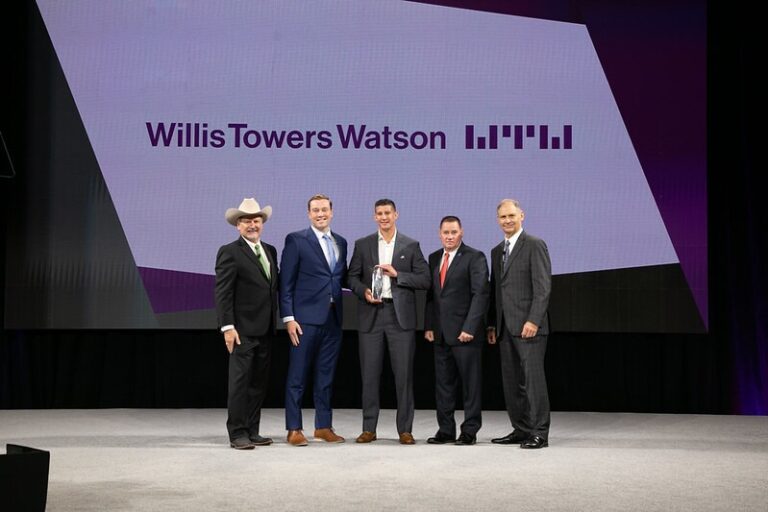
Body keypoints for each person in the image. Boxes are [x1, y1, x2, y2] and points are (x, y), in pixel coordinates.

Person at [348, 199, 430, 444]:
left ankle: (405, 430)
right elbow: (351, 277)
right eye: (379, 213)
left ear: (396, 215)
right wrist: (363, 291)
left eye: (388, 213)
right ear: (374, 217)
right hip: (371, 315)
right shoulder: (362, 245)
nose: (384, 217)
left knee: (403, 376)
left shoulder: (411, 245)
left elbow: (425, 280)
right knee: (369, 375)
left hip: (399, 317)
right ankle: (368, 429)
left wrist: (398, 275)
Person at [280, 194, 348, 446]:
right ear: (308, 214)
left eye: (325, 210)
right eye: (315, 210)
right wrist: (289, 318)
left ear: (332, 212)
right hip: (304, 321)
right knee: (297, 376)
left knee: (326, 376)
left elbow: (339, 277)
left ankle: (323, 426)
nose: (320, 214)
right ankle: (294, 429)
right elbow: (285, 283)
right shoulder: (297, 240)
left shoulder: (341, 241)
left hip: (333, 319)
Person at [487, 199, 552, 449]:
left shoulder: (535, 245)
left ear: (522, 215)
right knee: (513, 382)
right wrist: (492, 324)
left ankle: (539, 433)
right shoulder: (496, 251)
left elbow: (543, 288)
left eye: (511, 215)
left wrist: (533, 320)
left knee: (533, 382)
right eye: (503, 217)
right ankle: (521, 429)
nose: (507, 220)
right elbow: (496, 291)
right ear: (498, 220)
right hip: (505, 329)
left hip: (529, 328)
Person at [215, 198, 279, 450]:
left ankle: (252, 430)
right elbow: (223, 293)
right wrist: (227, 327)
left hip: (265, 329)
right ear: (237, 226)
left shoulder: (270, 250)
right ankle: (237, 433)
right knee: (240, 384)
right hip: (241, 330)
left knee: (257, 384)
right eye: (246, 221)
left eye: (256, 220)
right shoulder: (229, 251)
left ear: (262, 223)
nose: (252, 225)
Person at [424, 216, 489, 445]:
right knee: (443, 386)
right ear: (439, 234)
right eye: (445, 233)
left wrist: (470, 327)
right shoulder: (433, 258)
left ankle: (469, 431)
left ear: (461, 232)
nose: (449, 237)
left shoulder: (475, 257)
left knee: (470, 386)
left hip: (465, 334)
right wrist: (429, 325)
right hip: (440, 334)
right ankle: (446, 430)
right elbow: (432, 297)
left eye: (453, 232)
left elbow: (480, 295)